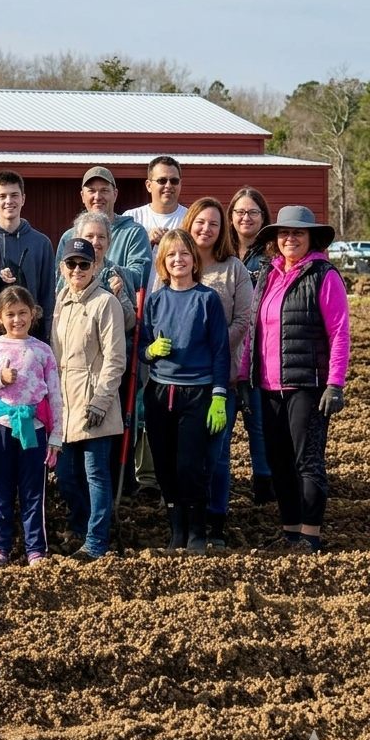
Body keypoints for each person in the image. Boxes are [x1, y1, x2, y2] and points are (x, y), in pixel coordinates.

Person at [239, 206, 349, 554]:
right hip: (269, 386)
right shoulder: (268, 276)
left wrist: (335, 383)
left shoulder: (323, 275)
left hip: (308, 384)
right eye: (284, 233)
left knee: (307, 461)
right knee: (279, 461)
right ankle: (289, 532)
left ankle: (310, 536)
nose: (290, 239)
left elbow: (340, 333)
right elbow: (253, 330)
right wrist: (245, 374)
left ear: (310, 238)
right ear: (275, 239)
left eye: (298, 233)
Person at [140, 230, 230, 553]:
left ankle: (197, 534)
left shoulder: (207, 300)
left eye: (184, 254)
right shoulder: (155, 300)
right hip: (161, 393)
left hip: (198, 393)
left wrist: (219, 395)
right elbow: (141, 348)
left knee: (191, 466)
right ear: (163, 263)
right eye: (170, 256)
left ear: (194, 260)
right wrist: (151, 351)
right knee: (164, 466)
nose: (178, 260)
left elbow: (221, 351)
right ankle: (175, 533)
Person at [0, 285, 64, 566]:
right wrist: (0, 378)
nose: (17, 320)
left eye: (23, 313)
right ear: (0, 317)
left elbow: (55, 395)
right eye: (10, 314)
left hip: (33, 428)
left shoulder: (43, 350)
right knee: (0, 490)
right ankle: (1, 548)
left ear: (33, 314)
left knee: (33, 490)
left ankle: (36, 549)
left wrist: (56, 436)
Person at [179, 198, 253, 547]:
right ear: (189, 223)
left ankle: (216, 523)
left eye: (213, 224)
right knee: (188, 454)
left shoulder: (233, 268)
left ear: (222, 230)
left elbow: (244, 318)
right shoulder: (178, 263)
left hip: (223, 376)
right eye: (200, 222)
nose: (205, 229)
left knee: (218, 453)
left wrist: (216, 349)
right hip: (183, 378)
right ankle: (188, 523)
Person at [50, 239, 127, 560]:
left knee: (96, 474)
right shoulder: (60, 302)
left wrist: (101, 401)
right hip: (65, 406)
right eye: (71, 264)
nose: (77, 270)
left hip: (95, 403)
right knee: (67, 475)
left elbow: (115, 358)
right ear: (62, 268)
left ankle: (96, 540)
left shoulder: (105, 303)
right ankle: (79, 524)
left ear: (95, 266)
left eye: (84, 264)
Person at [226, 186, 274, 503]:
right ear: (231, 217)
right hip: (228, 349)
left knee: (258, 424)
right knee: (223, 424)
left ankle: (264, 487)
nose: (246, 217)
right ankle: (219, 487)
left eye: (252, 212)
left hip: (260, 353)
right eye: (240, 212)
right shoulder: (221, 254)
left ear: (263, 217)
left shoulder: (271, 256)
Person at [0, 171, 55, 337]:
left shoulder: (41, 243)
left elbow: (48, 296)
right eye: (2, 196)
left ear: (23, 199)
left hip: (31, 333)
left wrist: (47, 334)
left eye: (14, 195)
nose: (9, 201)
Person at [56, 167, 151, 294]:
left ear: (115, 194)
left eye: (104, 190)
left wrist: (104, 271)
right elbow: (59, 279)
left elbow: (140, 276)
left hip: (118, 308)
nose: (97, 197)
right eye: (91, 191)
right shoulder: (69, 237)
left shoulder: (133, 233)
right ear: (83, 196)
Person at [124, 157, 188, 289]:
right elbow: (120, 260)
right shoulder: (131, 218)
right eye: (162, 180)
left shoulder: (191, 218)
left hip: (179, 297)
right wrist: (144, 241)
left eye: (174, 181)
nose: (168, 186)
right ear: (148, 185)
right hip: (138, 300)